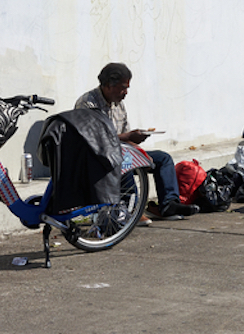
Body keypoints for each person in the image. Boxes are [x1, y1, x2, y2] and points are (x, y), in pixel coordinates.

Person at [76, 62, 198, 219]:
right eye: (122, 88)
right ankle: (132, 209)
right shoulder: (88, 103)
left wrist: (137, 146)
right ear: (108, 85)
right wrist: (127, 139)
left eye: (127, 88)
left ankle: (169, 205)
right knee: (125, 160)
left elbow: (124, 137)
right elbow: (92, 140)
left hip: (121, 152)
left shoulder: (119, 105)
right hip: (97, 158)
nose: (125, 92)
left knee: (162, 159)